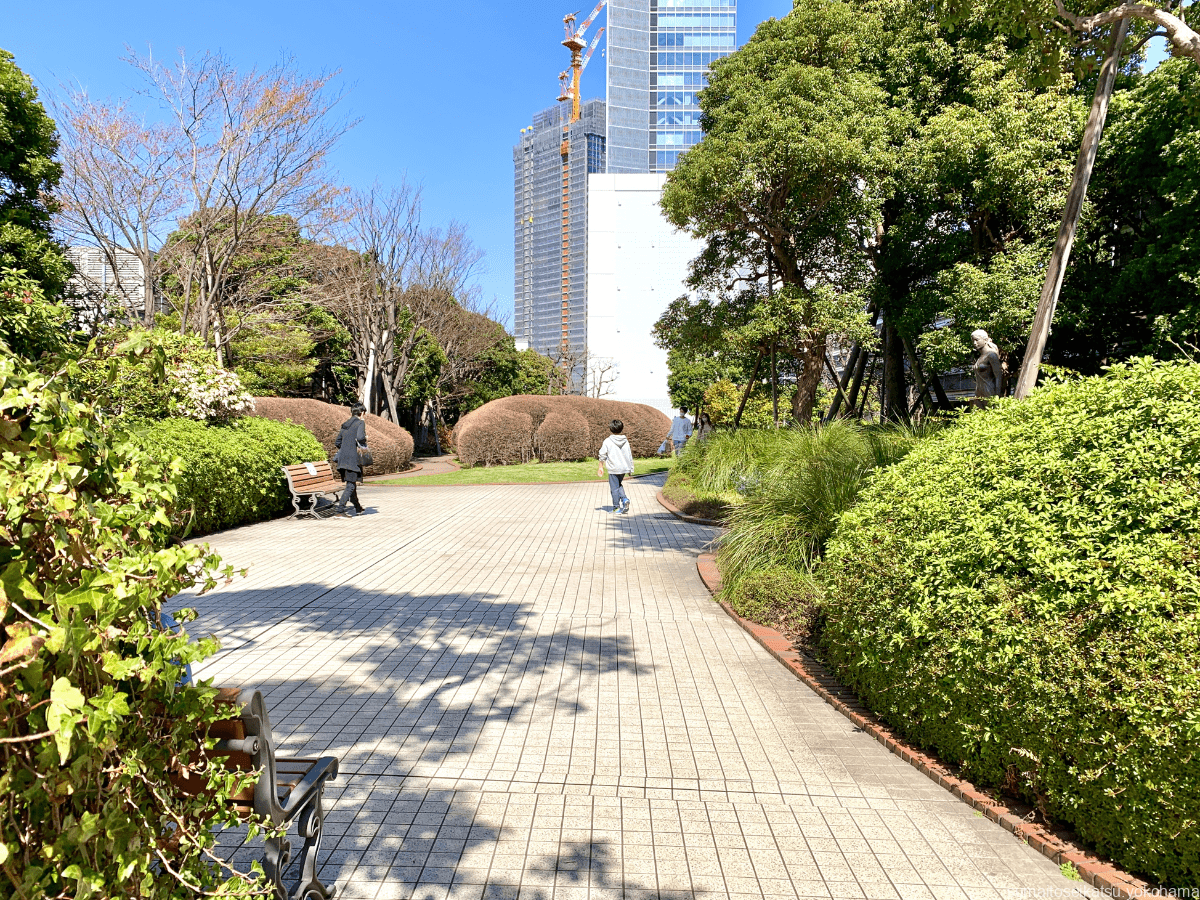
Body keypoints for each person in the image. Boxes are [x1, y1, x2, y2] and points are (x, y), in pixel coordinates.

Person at [333, 403, 368, 517]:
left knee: (351, 483)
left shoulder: (345, 425)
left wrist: (345, 449)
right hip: (353, 459)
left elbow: (337, 442)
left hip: (342, 459)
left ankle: (357, 507)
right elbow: (360, 438)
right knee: (351, 485)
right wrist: (364, 440)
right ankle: (340, 510)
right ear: (361, 412)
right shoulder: (360, 423)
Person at [597, 418, 634, 514]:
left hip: (613, 468)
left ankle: (616, 507)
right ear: (622, 428)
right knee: (618, 485)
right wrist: (630, 468)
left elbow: (602, 454)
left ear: (611, 429)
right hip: (623, 468)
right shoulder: (625, 441)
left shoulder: (608, 441)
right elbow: (629, 455)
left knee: (614, 488)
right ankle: (625, 500)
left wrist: (600, 466)